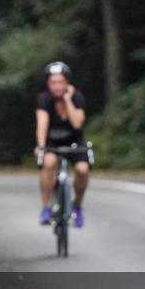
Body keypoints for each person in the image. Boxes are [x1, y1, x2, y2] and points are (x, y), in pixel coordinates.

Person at [35, 61, 90, 227]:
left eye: (60, 82)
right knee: (49, 163)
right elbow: (42, 123)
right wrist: (41, 146)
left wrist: (67, 101)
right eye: (53, 83)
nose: (57, 86)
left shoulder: (76, 97)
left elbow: (77, 124)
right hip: (52, 142)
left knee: (82, 170)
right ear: (48, 84)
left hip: (75, 141)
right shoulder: (44, 99)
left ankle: (77, 205)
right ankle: (45, 207)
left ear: (67, 82)